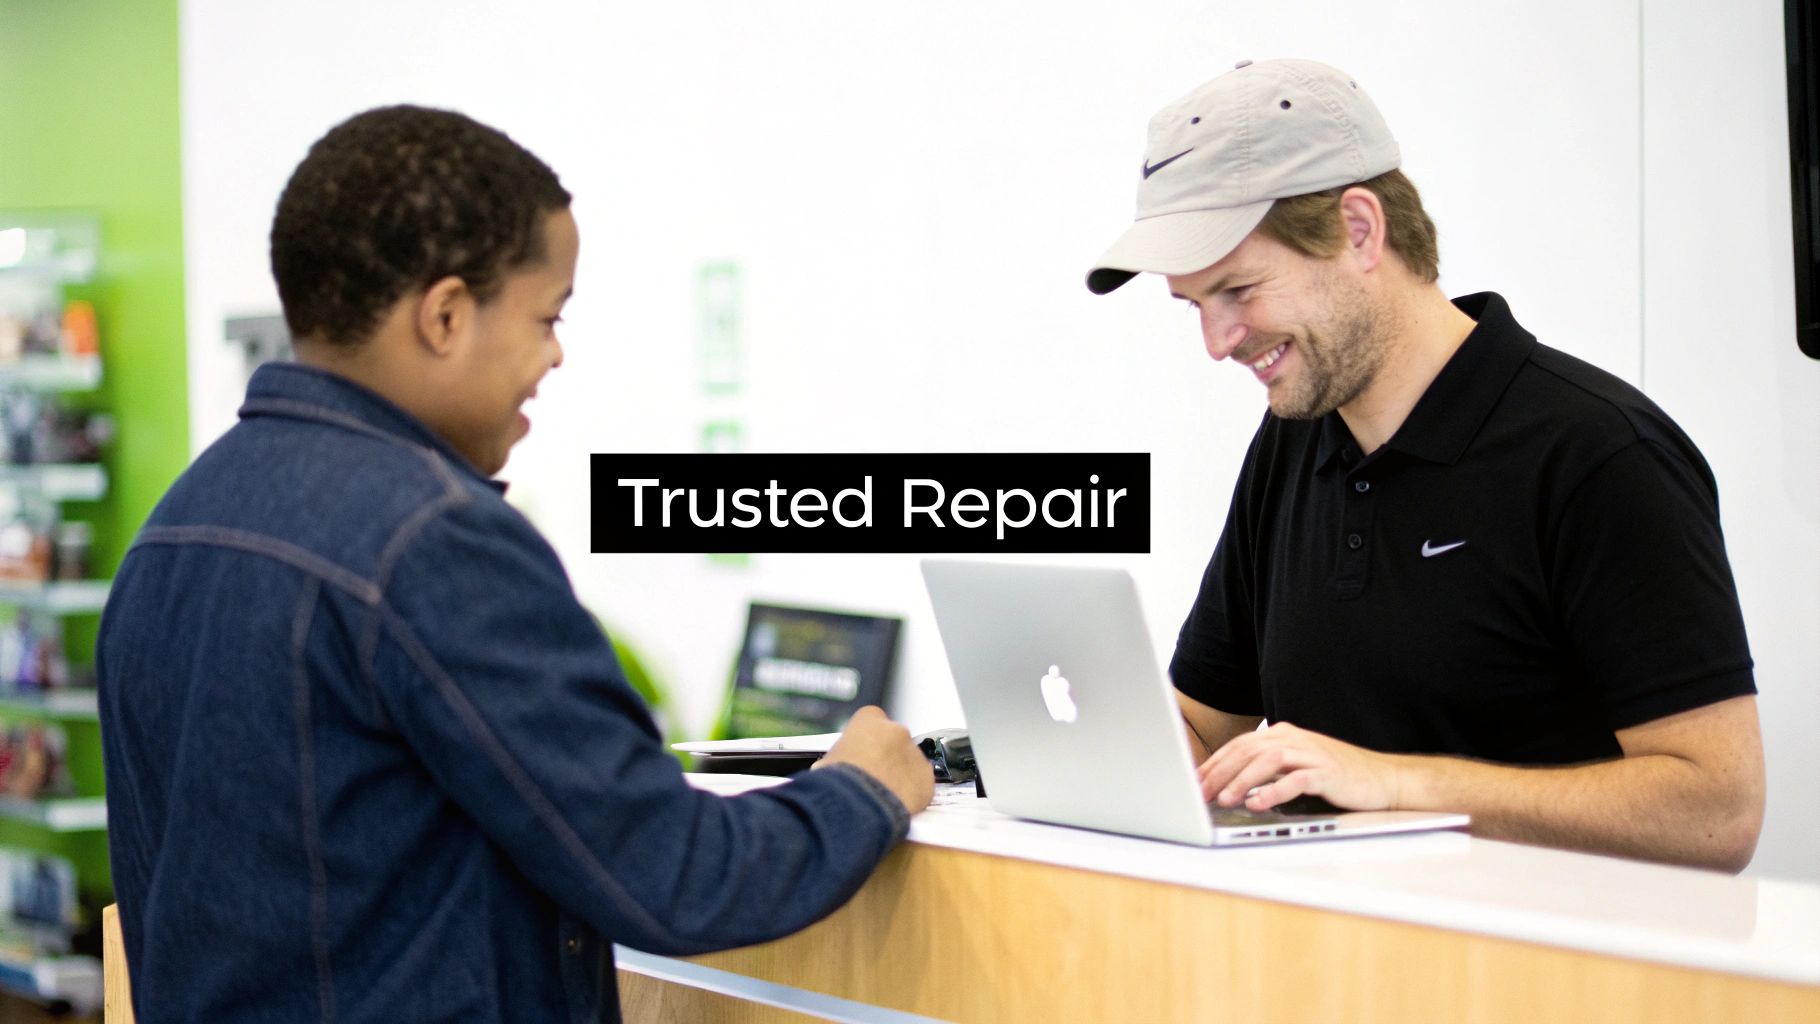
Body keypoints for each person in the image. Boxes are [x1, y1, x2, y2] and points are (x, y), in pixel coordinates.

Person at [97, 105, 933, 1023]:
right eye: (547, 315)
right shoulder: (433, 539)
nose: (556, 354)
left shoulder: (173, 528)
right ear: (447, 315)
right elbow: (673, 875)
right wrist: (862, 788)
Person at [1086, 59, 1764, 872]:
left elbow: (1719, 813)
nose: (1217, 341)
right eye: (1196, 306)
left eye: (1239, 289)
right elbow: (1204, 724)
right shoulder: (1293, 439)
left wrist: (1398, 785)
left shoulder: (1599, 453)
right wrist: (1073, 753)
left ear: (1360, 229)